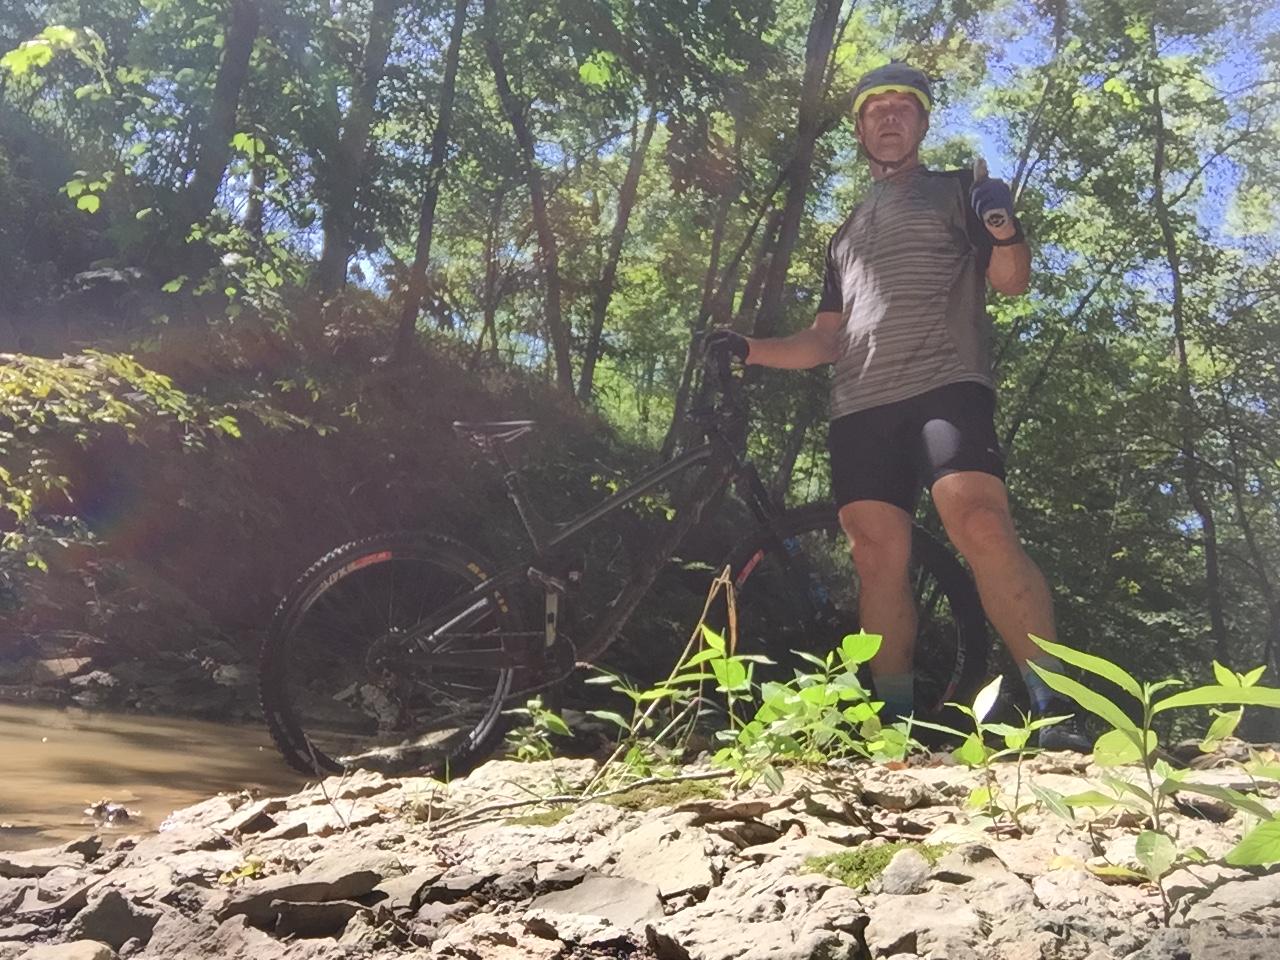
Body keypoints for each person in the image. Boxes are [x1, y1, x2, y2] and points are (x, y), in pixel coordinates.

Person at [708, 61, 1090, 752]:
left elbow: (1011, 281)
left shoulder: (958, 190)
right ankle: (894, 727)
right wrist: (750, 349)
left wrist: (1001, 225)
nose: (889, 116)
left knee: (979, 521)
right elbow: (826, 339)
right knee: (875, 556)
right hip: (860, 404)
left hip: (946, 383)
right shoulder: (844, 234)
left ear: (922, 123)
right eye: (875, 108)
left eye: (903, 107)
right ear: (859, 130)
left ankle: (1056, 706)